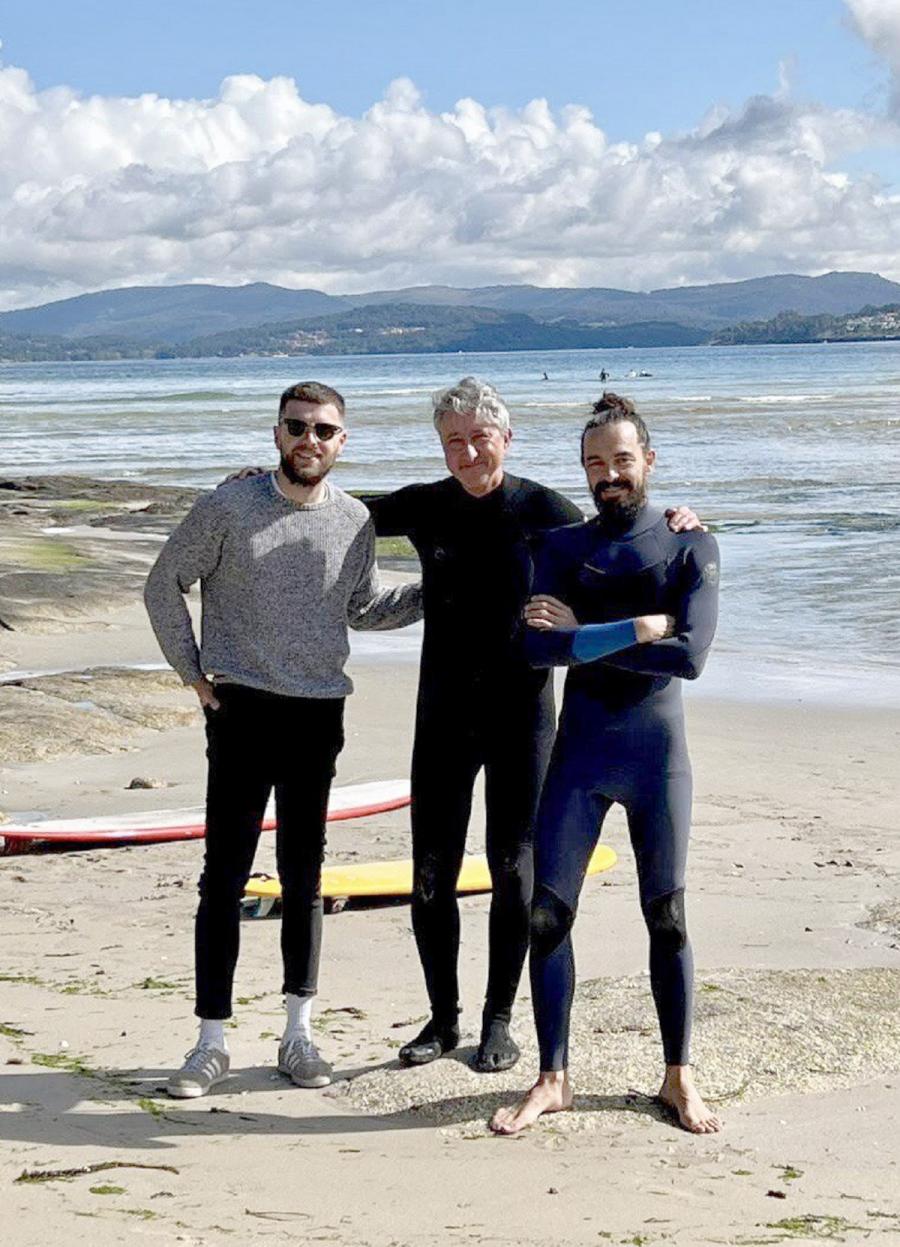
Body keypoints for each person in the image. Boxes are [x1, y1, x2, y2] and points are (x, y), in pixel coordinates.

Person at [224, 377, 700, 1073]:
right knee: (430, 874)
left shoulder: (545, 510)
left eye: (482, 438)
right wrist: (264, 483)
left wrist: (683, 519)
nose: (470, 452)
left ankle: (498, 1019)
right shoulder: (428, 506)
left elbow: (626, 542)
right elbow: (333, 509)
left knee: (515, 872)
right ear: (442, 446)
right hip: (443, 715)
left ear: (505, 439)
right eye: (455, 441)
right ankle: (442, 1019)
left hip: (522, 717)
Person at [144, 381, 422, 1099]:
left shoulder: (356, 521)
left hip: (317, 714)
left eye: (324, 430)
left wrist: (439, 589)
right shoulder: (228, 507)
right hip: (240, 710)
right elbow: (162, 583)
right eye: (297, 427)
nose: (310, 440)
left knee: (305, 876)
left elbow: (362, 608)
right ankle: (210, 1042)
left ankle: (299, 1032)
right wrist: (194, 676)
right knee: (224, 877)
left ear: (341, 442)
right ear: (276, 434)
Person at [490, 391, 721, 1136]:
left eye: (622, 459)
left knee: (669, 918)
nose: (609, 474)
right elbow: (535, 648)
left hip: (657, 757)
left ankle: (678, 1078)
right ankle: (552, 1078)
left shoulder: (693, 545)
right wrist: (637, 624)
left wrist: (586, 631)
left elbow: (688, 656)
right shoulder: (561, 547)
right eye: (595, 463)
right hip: (582, 754)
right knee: (548, 913)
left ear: (648, 461)